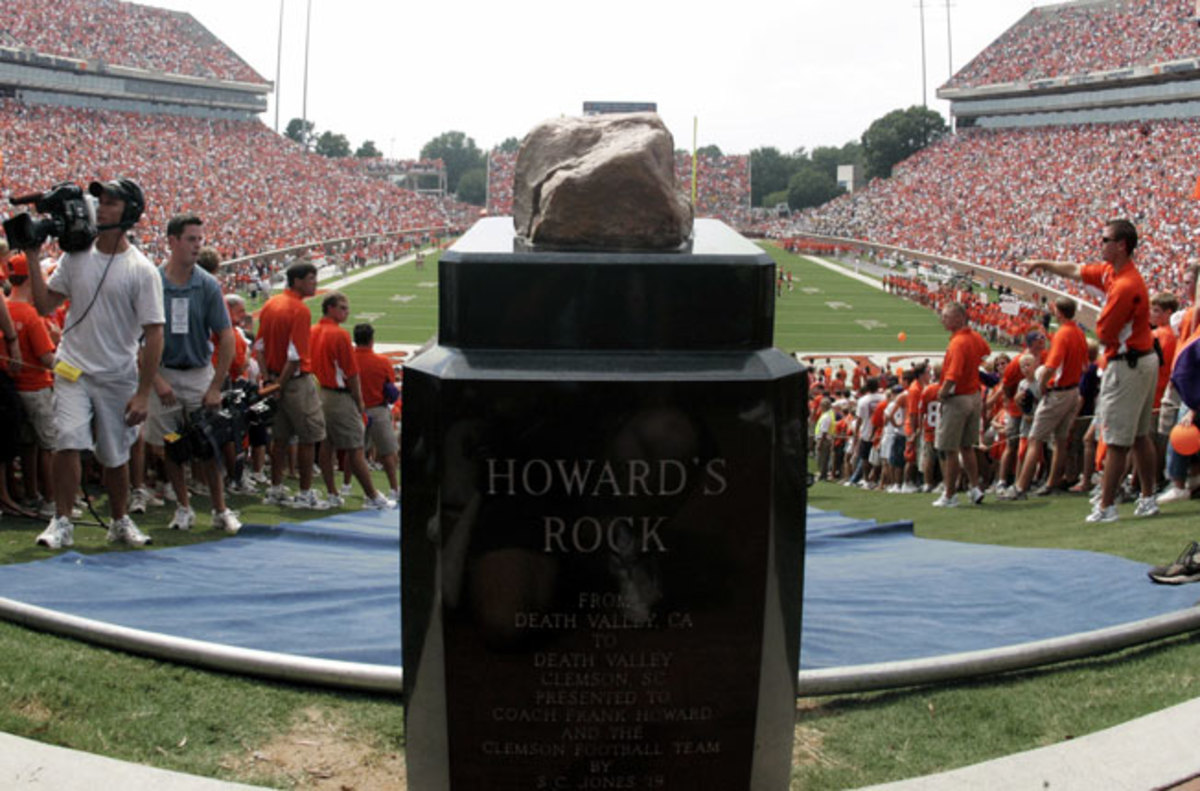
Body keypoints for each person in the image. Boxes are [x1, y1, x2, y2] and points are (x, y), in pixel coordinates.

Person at [24, 178, 164, 548]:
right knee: (68, 441)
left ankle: (119, 521)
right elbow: (44, 305)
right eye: (101, 200)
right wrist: (34, 256)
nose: (101, 207)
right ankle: (62, 520)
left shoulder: (142, 270)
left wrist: (143, 392)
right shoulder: (76, 255)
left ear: (130, 212)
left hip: (117, 375)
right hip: (73, 368)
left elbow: (155, 333)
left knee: (115, 455)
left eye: (112, 203)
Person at [1025, 219, 1159, 523]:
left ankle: (1107, 505)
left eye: (1105, 239)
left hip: (1127, 364)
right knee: (1139, 436)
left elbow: (1105, 333)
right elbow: (1075, 269)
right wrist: (1042, 263)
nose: (1100, 244)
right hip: (1141, 359)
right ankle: (1148, 497)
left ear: (1121, 245)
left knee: (1116, 439)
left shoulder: (1125, 285)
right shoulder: (1114, 273)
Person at [144, 214, 240, 534]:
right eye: (191, 239)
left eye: (200, 239)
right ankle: (183, 507)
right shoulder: (153, 281)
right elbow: (136, 338)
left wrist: (215, 385)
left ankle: (219, 508)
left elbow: (226, 336)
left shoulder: (208, 284)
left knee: (208, 444)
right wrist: (155, 380)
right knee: (171, 447)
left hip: (199, 370)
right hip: (165, 370)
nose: (197, 245)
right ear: (172, 241)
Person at [310, 293, 394, 509]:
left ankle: (333, 493)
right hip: (339, 396)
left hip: (320, 393)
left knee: (326, 445)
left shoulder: (313, 331)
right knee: (356, 447)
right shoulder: (339, 335)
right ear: (330, 308)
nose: (346, 312)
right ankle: (373, 496)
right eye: (342, 308)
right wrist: (359, 402)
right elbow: (351, 373)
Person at [1002, 297, 1089, 500]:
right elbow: (1085, 365)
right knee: (1060, 440)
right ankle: (1052, 483)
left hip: (1058, 393)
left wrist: (1042, 386)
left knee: (1034, 439)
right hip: (1073, 390)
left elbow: (1050, 367)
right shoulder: (1079, 333)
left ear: (1059, 312)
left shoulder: (1063, 334)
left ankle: (1020, 487)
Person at [255, 261, 327, 508]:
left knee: (280, 439)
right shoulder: (299, 310)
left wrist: (269, 380)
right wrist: (280, 385)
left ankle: (275, 489)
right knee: (308, 437)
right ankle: (305, 493)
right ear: (296, 281)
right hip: (294, 382)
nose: (314, 284)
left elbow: (260, 347)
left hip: (275, 377)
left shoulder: (270, 303)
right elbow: (295, 356)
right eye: (310, 279)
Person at [6, 252, 58, 515]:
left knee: (28, 446)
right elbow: (48, 359)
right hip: (36, 388)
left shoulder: (6, 306)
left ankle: (31, 494)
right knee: (49, 447)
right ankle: (51, 500)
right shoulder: (30, 315)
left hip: (13, 390)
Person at [933, 301, 991, 508]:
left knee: (949, 449)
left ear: (958, 318)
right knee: (967, 447)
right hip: (974, 396)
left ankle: (950, 495)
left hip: (957, 399)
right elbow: (986, 351)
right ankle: (974, 488)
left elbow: (953, 374)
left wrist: (942, 392)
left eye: (946, 316)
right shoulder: (973, 337)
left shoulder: (958, 343)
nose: (943, 319)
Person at [353, 322, 400, 500]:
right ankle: (394, 488)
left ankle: (347, 486)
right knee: (388, 452)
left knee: (355, 452)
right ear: (372, 340)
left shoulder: (350, 358)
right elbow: (390, 390)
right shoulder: (381, 361)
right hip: (377, 409)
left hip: (355, 409)